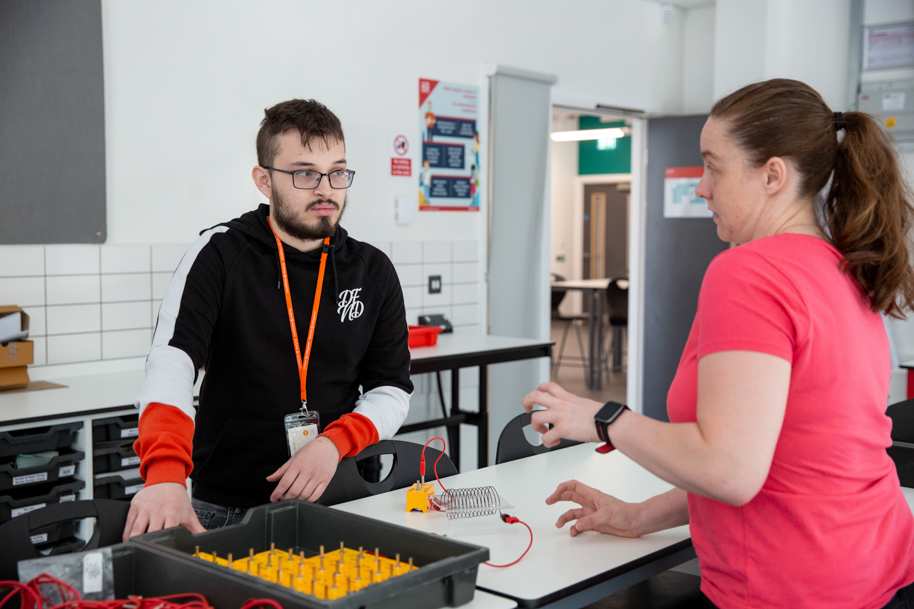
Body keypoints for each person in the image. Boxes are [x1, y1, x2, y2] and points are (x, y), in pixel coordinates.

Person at [523, 79, 914, 609]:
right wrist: (640, 516)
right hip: (872, 569)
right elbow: (782, 457)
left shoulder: (749, 271)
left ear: (772, 175)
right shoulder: (843, 266)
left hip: (790, 587)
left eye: (714, 166)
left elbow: (729, 470)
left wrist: (604, 418)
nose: (701, 186)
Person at [123, 99, 413, 541]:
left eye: (338, 172)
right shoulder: (219, 255)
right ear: (264, 180)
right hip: (226, 509)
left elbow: (390, 390)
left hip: (342, 496)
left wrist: (332, 444)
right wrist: (165, 474)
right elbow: (171, 365)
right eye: (304, 173)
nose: (327, 189)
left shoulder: (372, 271)